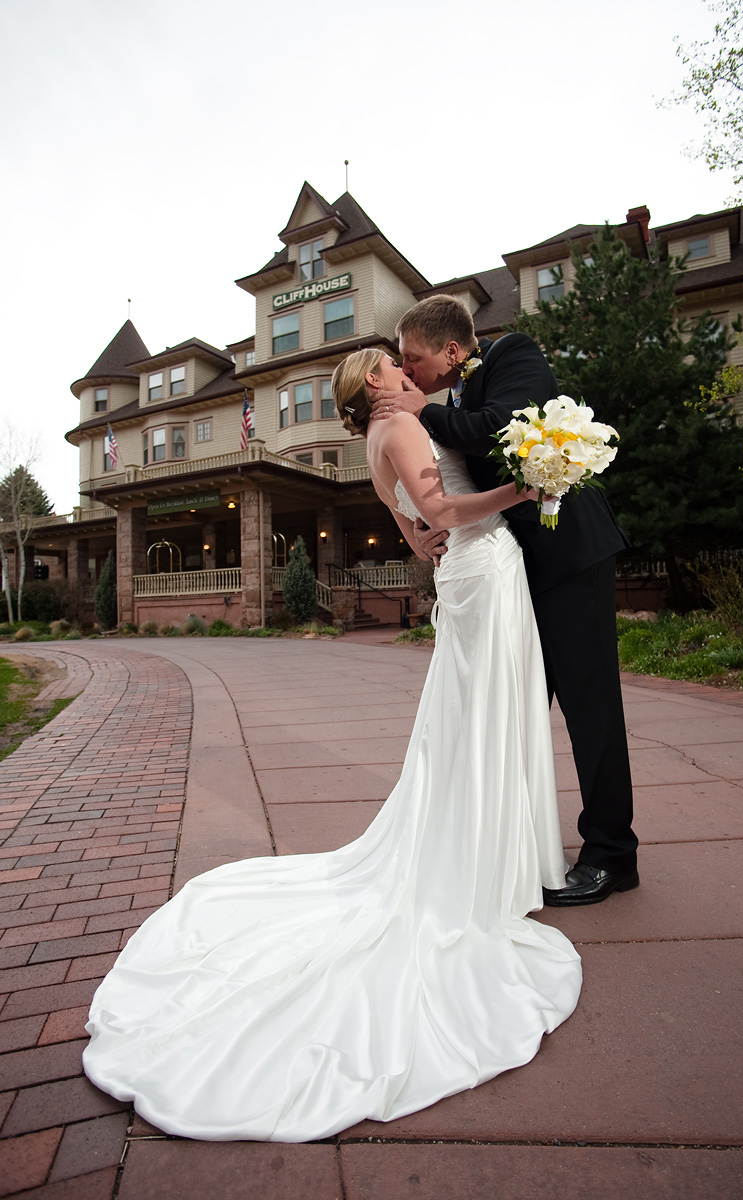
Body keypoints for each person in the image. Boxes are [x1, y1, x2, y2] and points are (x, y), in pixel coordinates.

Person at [82, 348, 581, 1144]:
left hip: (467, 581)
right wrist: (530, 486)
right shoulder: (405, 427)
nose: (402, 366)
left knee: (465, 722)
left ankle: (487, 847)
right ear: (374, 386)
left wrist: (417, 538)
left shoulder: (378, 440)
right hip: (483, 570)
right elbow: (443, 512)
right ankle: (484, 864)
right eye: (387, 362)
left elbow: (406, 516)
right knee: (481, 714)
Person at [371, 295, 638, 906]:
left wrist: (424, 412)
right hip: (510, 575)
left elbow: (499, 428)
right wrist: (415, 528)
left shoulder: (516, 355)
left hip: (570, 558)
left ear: (452, 351)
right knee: (512, 713)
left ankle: (612, 854)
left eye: (414, 361)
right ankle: (516, 846)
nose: (408, 374)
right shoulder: (447, 398)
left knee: (590, 707)